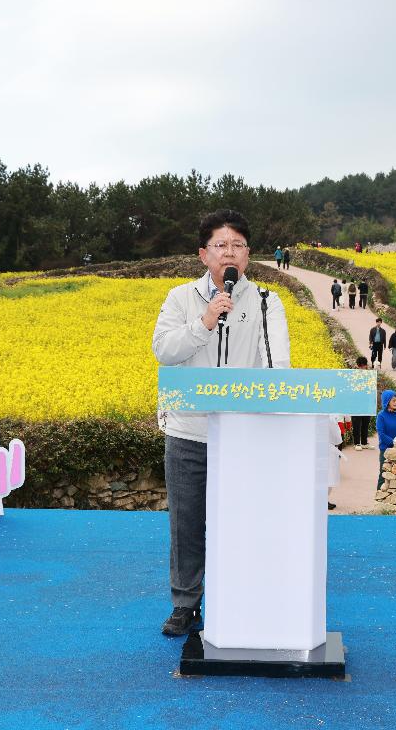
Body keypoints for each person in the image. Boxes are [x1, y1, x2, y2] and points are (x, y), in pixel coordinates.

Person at [151, 208, 291, 638]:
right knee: (186, 524)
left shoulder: (267, 301)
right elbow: (164, 350)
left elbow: (277, 365)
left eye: (238, 246)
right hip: (189, 432)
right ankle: (185, 603)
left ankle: (242, 598)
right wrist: (206, 320)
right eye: (221, 245)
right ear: (203, 254)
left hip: (243, 435)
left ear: (248, 255)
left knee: (243, 522)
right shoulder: (180, 298)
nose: (230, 253)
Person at [376, 389, 396, 489]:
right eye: (393, 400)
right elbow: (381, 433)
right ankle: (379, 499)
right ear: (387, 402)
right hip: (386, 450)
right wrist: (394, 442)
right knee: (384, 475)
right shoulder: (381, 416)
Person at [350, 356, 373, 450]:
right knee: (356, 423)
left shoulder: (369, 375)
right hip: (356, 403)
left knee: (365, 423)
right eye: (362, 366)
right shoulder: (353, 375)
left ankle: (364, 442)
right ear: (358, 366)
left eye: (364, 366)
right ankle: (356, 443)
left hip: (366, 403)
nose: (363, 368)